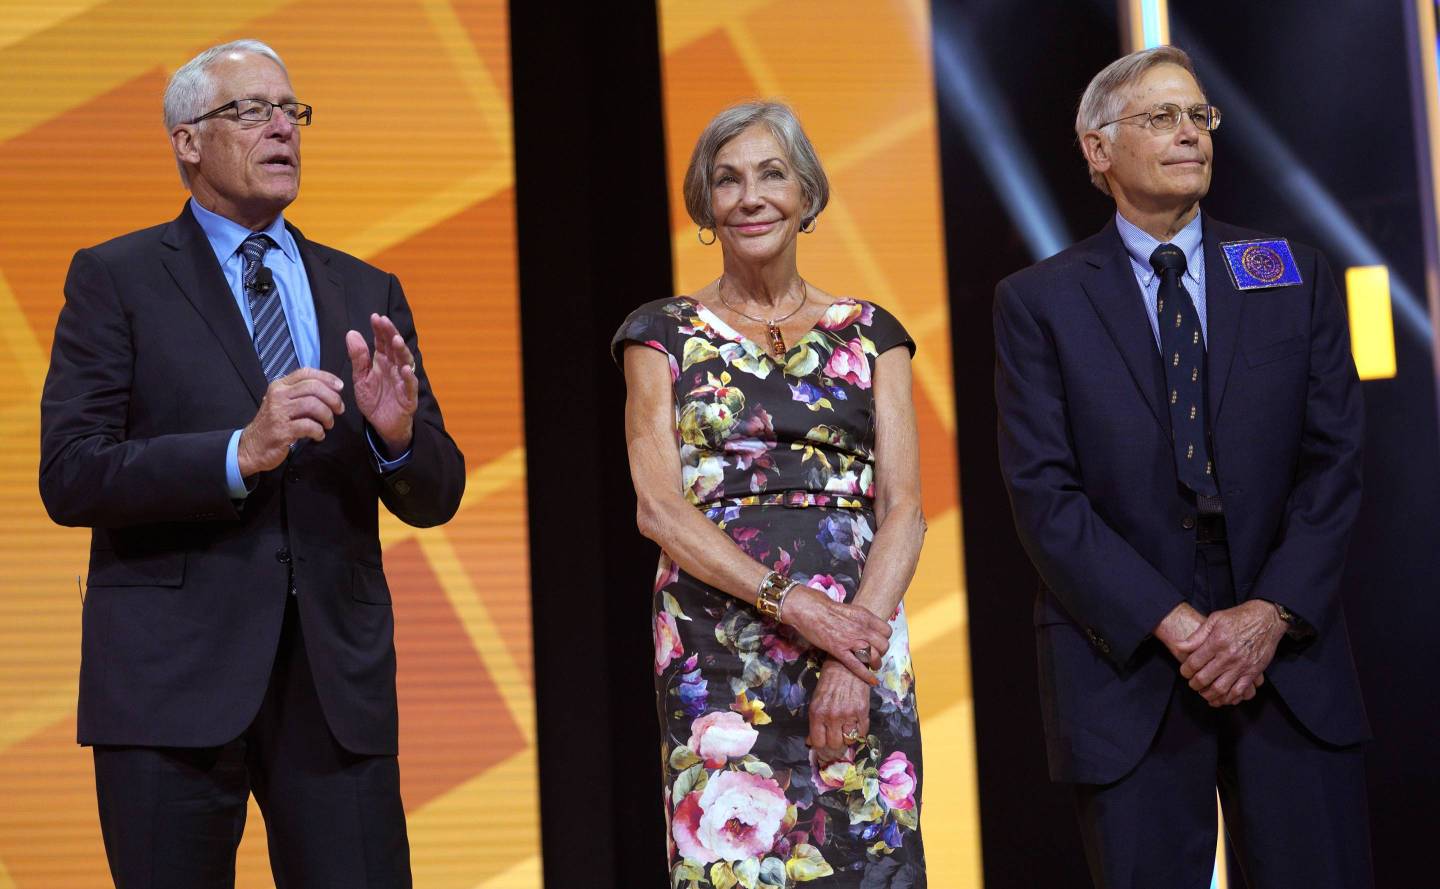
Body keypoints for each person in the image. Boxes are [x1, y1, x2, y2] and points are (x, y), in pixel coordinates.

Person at [38, 39, 465, 887]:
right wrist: (239, 452)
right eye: (251, 110)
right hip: (170, 686)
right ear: (187, 141)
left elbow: (437, 491)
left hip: (334, 689)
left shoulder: (365, 289)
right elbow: (72, 472)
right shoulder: (115, 277)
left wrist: (395, 437)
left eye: (291, 112)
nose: (282, 129)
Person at [994, 45, 1372, 888]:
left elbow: (1335, 459)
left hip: (1287, 648)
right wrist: (1178, 626)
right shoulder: (1038, 301)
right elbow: (1044, 494)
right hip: (1128, 654)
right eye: (1161, 117)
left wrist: (1268, 614)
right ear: (1098, 148)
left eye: (1199, 116)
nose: (1190, 135)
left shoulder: (1289, 271)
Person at [613, 101, 927, 886]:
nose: (750, 196)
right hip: (719, 654)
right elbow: (658, 507)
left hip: (860, 636)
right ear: (706, 209)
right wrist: (796, 604)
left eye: (771, 174)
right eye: (727, 180)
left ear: (807, 196)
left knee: (866, 860)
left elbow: (905, 510)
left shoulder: (872, 332)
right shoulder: (660, 333)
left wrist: (855, 656)